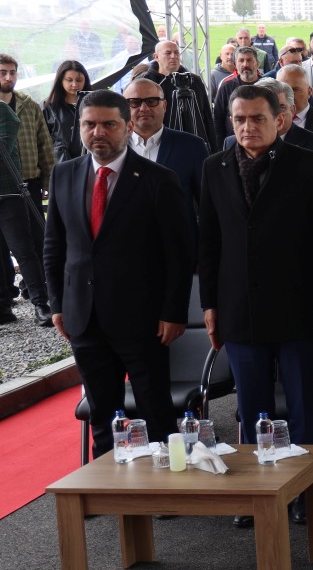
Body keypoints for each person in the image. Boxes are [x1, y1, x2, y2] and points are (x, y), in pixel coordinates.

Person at [199, 82, 313, 522]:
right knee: (252, 408)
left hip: (298, 305)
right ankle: (258, 493)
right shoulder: (215, 167)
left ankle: (305, 493)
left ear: (278, 120)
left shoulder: (310, 165)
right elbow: (209, 243)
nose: (247, 127)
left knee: (301, 407)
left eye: (257, 118)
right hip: (239, 309)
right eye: (239, 119)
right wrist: (210, 304)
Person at [43, 90, 193, 456]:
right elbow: (54, 248)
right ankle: (108, 487)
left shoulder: (159, 180)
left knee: (154, 408)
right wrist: (58, 304)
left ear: (127, 127)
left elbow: (180, 253)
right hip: (84, 316)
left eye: (109, 124)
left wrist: (173, 312)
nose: (99, 133)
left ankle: (164, 487)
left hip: (143, 319)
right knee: (102, 410)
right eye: (89, 124)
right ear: (79, 127)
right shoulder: (64, 175)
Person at [123, 77, 207, 216]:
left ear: (164, 106)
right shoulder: (113, 148)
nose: (144, 108)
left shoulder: (192, 147)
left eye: (151, 101)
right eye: (134, 102)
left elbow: (207, 205)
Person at [0, 99, 50, 325]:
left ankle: (41, 304)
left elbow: (4, 149)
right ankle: (3, 307)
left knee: (24, 249)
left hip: (9, 193)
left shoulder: (3, 110)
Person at [43, 60, 89, 163]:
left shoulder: (94, 103)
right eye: (69, 80)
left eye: (79, 80)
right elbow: (43, 141)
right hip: (61, 163)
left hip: (89, 161)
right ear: (60, 81)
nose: (74, 84)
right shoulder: (48, 106)